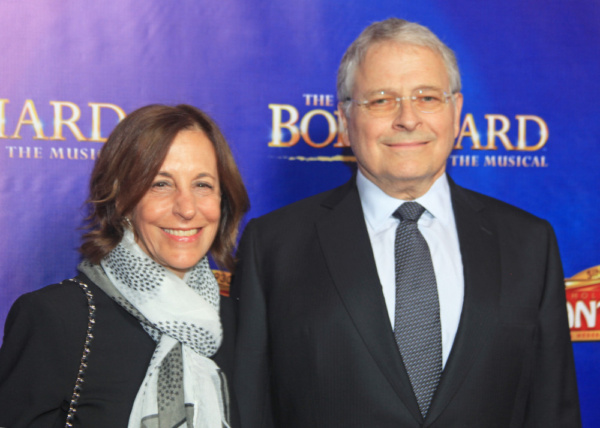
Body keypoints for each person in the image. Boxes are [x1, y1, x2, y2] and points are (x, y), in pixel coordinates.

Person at [230, 18, 581, 427]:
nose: (408, 119)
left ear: (457, 112)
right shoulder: (273, 246)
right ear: (344, 120)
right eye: (381, 100)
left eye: (427, 97)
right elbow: (251, 410)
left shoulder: (529, 244)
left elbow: (552, 408)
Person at [0, 104, 249, 427]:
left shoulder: (240, 320)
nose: (187, 208)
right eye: (161, 183)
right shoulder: (57, 318)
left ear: (223, 200)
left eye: (202, 185)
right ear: (121, 199)